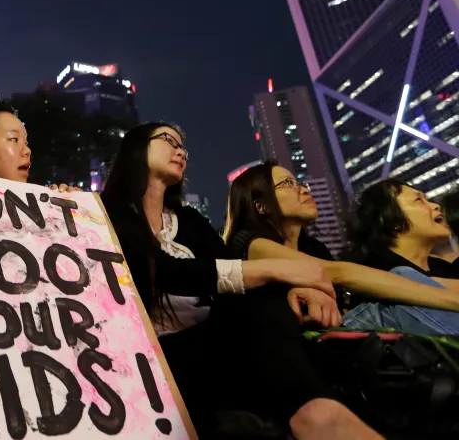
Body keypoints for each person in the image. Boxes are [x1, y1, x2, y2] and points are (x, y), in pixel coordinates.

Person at [99, 122, 382, 440]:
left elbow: (232, 269)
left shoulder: (189, 220)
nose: (180, 151)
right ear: (137, 149)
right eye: (168, 141)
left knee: (262, 296)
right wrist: (278, 270)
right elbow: (166, 272)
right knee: (260, 287)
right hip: (154, 355)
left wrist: (301, 287)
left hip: (216, 340)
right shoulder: (106, 214)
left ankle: (318, 410)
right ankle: (315, 413)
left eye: (183, 146)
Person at [225, 163, 459, 335]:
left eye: (300, 182)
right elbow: (336, 273)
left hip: (333, 332)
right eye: (288, 184)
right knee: (400, 279)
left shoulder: (313, 247)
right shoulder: (250, 243)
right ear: (261, 205)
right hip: (290, 349)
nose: (304, 189)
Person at [340, 179, 459, 334]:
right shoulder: (373, 275)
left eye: (427, 199)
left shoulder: (443, 268)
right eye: (419, 200)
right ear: (393, 221)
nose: (435, 205)